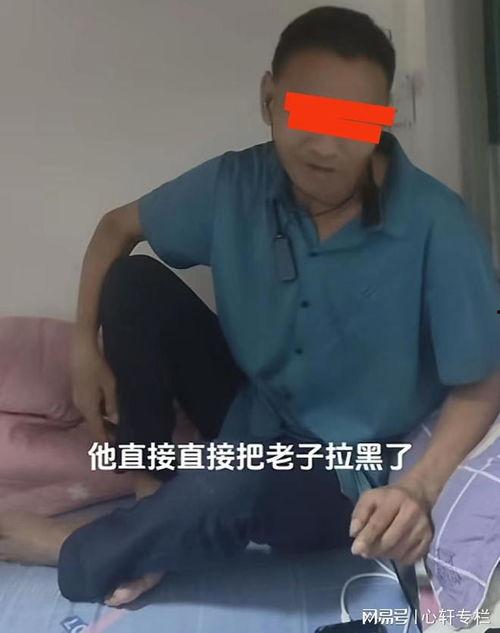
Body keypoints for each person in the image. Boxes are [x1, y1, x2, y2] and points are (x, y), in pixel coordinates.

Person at [1, 5, 500, 609]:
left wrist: (419, 487)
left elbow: (483, 379)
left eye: (354, 122)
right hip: (253, 412)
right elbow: (116, 229)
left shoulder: (437, 224)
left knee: (234, 484)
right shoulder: (235, 185)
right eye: (308, 113)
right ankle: (151, 501)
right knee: (133, 283)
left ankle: (78, 547)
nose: (327, 145)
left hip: (340, 472)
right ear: (269, 98)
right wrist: (84, 347)